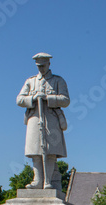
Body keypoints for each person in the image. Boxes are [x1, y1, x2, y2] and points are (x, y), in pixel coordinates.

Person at [17, 53, 70, 189]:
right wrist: (33, 98)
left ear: (49, 64)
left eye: (43, 65)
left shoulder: (58, 80)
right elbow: (19, 100)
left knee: (50, 150)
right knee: (35, 151)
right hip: (34, 117)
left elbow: (65, 100)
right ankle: (37, 181)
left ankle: (48, 181)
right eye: (39, 66)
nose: (41, 68)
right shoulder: (30, 81)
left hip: (52, 118)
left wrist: (47, 97)